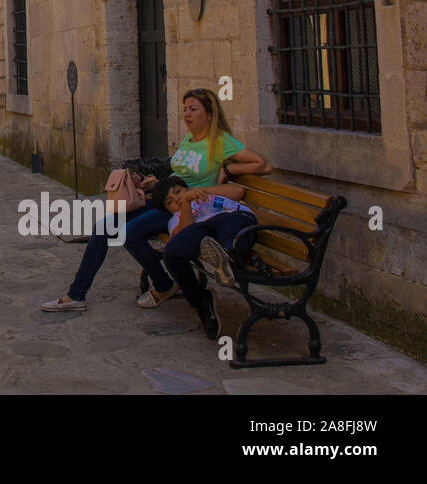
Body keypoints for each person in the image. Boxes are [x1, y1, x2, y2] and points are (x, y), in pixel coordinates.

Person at [39, 87, 270, 313]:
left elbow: (263, 164)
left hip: (184, 209)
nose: (186, 114)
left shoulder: (220, 141)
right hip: (164, 200)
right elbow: (179, 172)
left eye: (193, 109)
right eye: (185, 109)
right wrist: (156, 183)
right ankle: (77, 294)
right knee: (103, 227)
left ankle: (163, 284)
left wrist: (229, 172)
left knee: (129, 233)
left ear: (210, 114)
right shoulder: (189, 139)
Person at [149, 176, 258, 339]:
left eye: (178, 192)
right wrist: (186, 203)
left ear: (187, 188)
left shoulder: (209, 196)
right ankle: (201, 301)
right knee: (172, 252)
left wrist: (201, 192)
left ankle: (228, 260)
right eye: (169, 202)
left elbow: (238, 191)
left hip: (233, 217)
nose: (177, 199)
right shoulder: (176, 219)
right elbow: (183, 234)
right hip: (201, 228)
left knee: (230, 229)